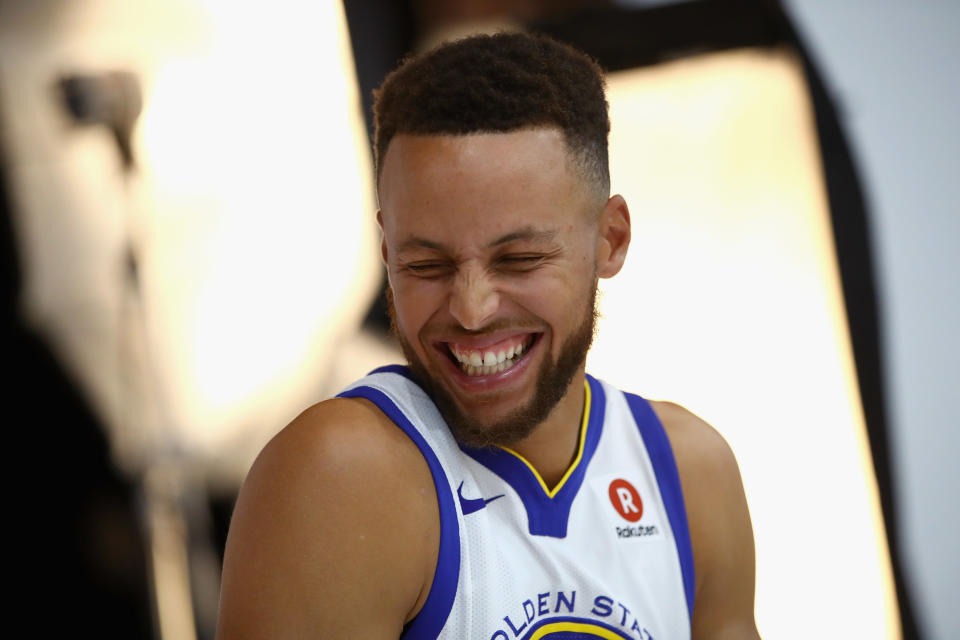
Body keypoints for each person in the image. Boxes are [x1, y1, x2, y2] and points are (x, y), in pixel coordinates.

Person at [216, 32, 759, 640]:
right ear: (386, 252)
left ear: (610, 239)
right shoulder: (341, 477)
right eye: (426, 266)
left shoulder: (688, 474)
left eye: (519, 259)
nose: (471, 310)